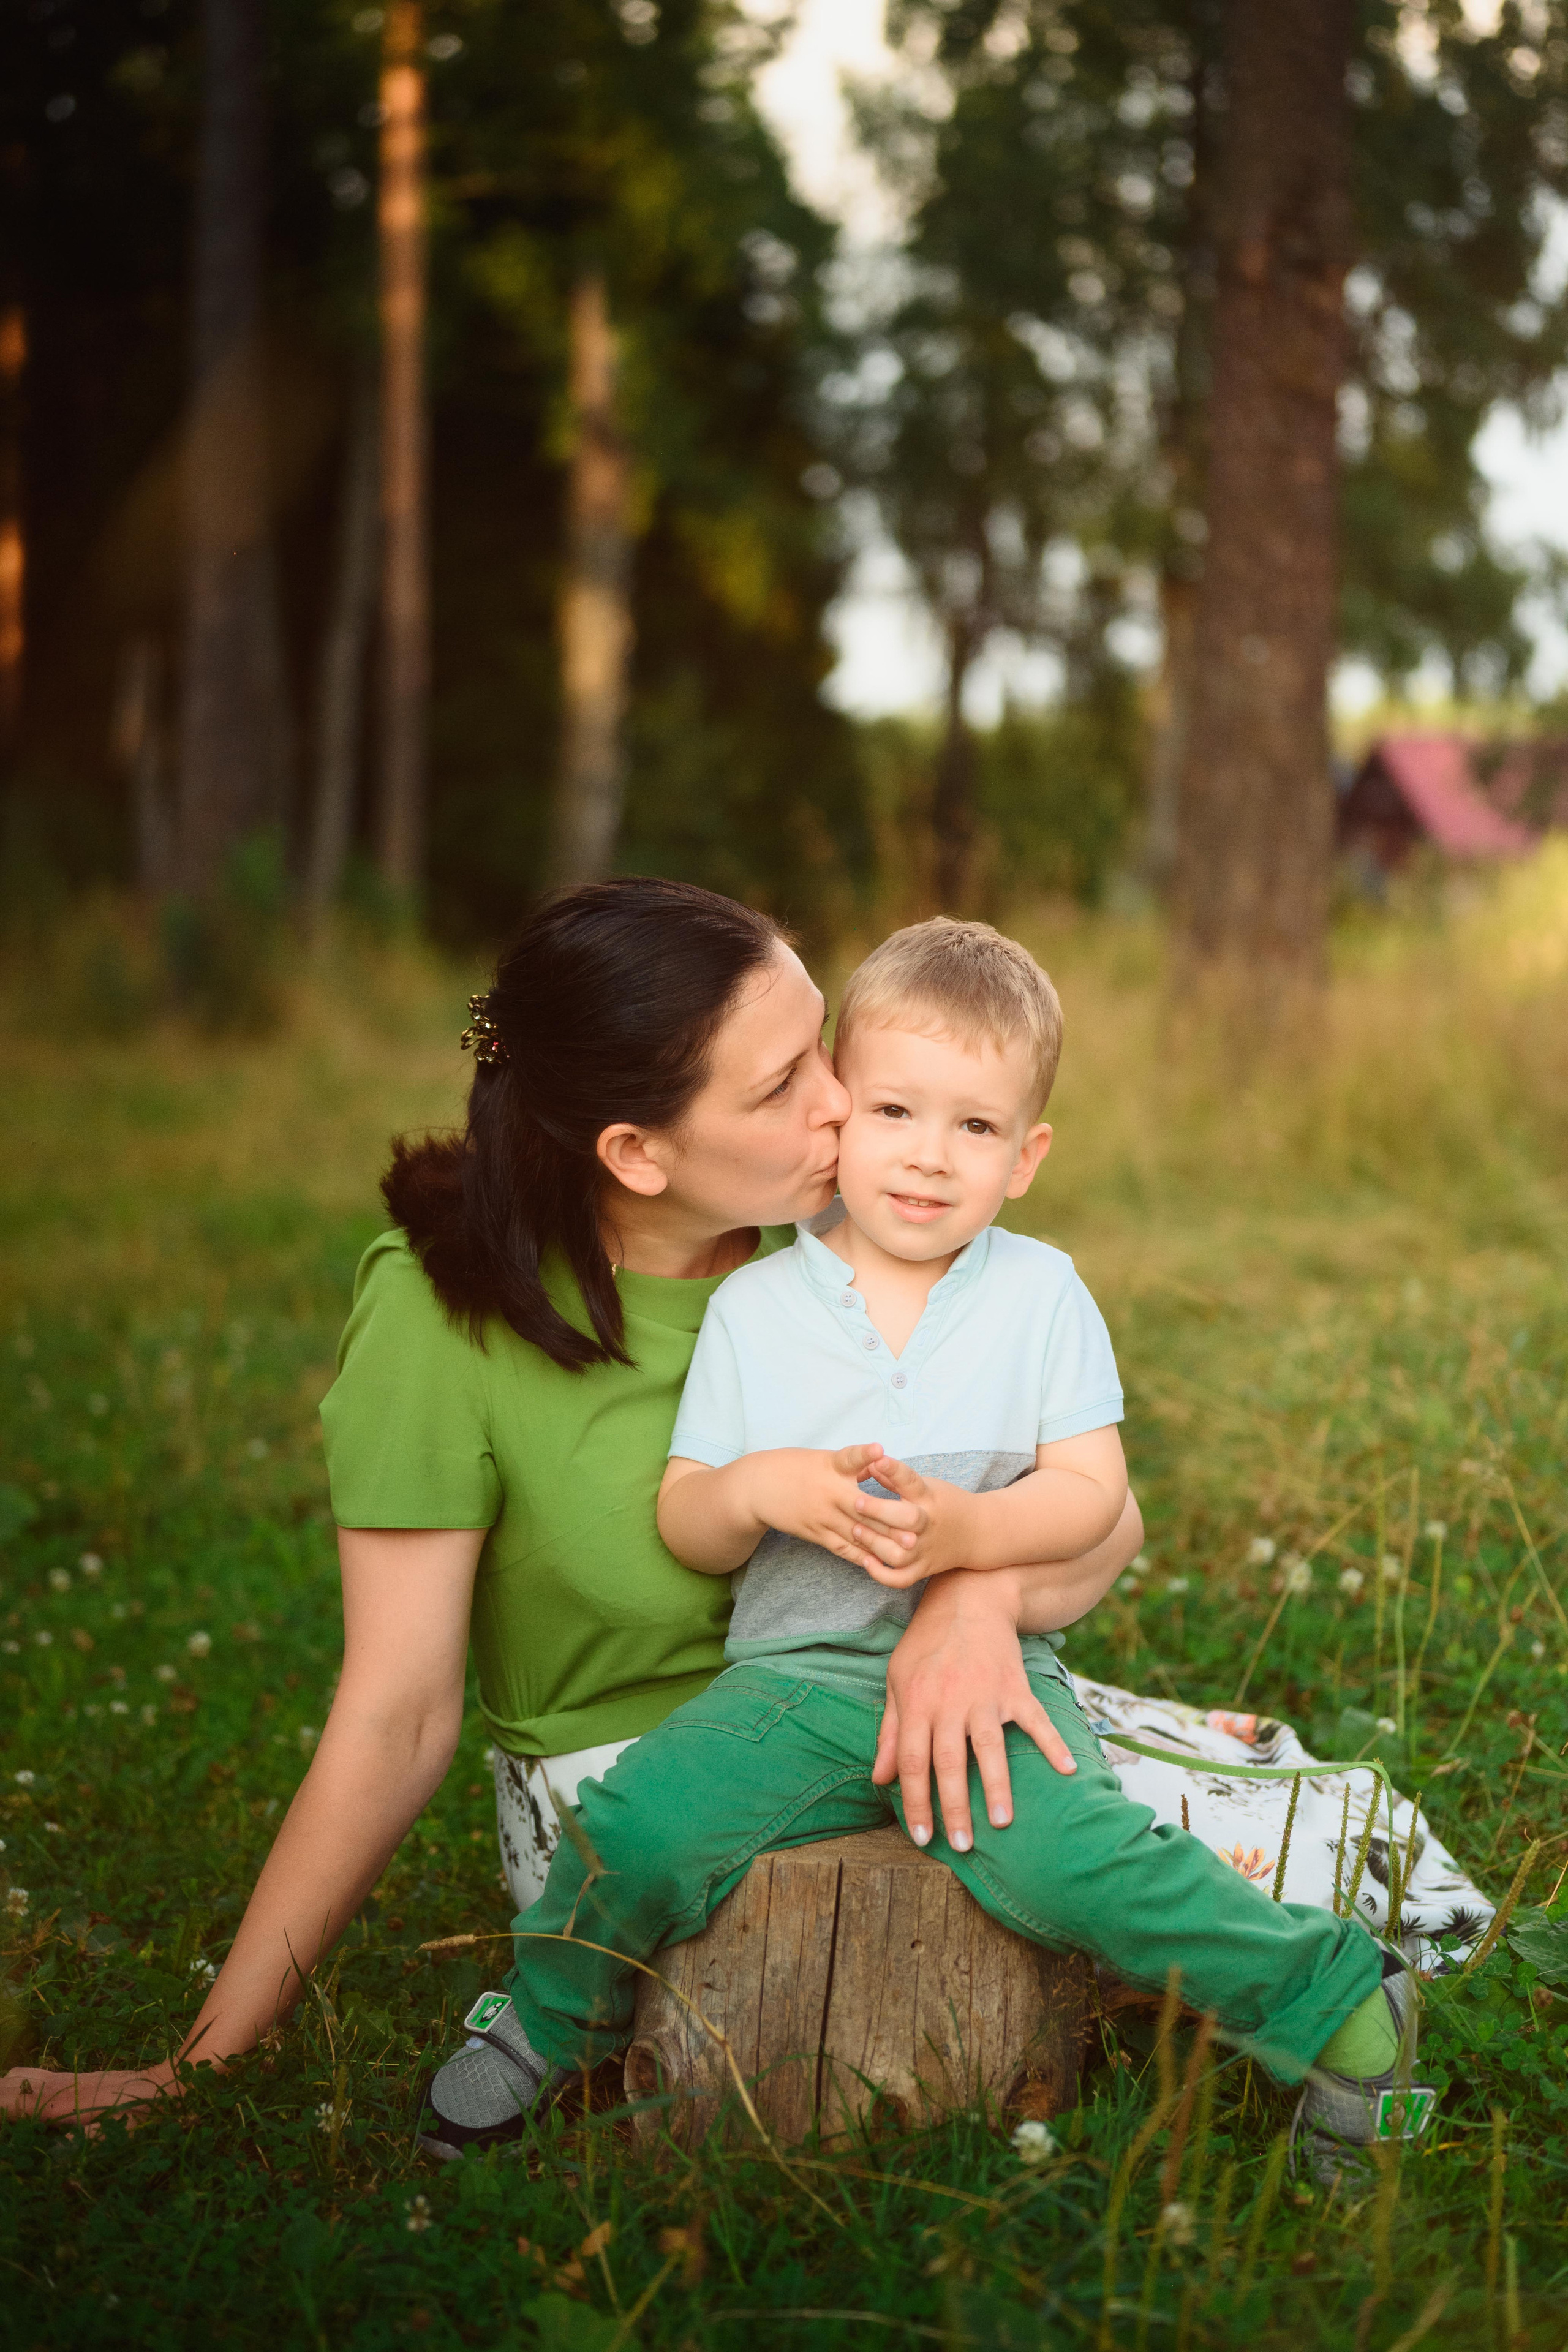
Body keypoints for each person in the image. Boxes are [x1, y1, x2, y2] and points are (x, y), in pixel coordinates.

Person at [0, 879, 1141, 2132]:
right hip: (647, 1803)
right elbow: (396, 1715)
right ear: (636, 1153)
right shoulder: (444, 1319)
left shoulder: (837, 1232)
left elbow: (1104, 1518)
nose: (842, 1100)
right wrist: (201, 2063)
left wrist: (969, 1606)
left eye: (818, 1043)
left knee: (1279, 1840)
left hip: (891, 1694)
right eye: (777, 1088)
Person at [421, 919, 1431, 2179]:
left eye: (974, 1128)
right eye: (894, 1109)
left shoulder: (1038, 1295)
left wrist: (968, 1540)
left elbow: (1090, 1493)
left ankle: (1334, 2003)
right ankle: (546, 2028)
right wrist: (762, 1489)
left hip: (990, 1683)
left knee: (1080, 1868)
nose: (927, 1157)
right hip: (791, 1683)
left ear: (1025, 1157)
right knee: (642, 1828)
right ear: (837, 1113)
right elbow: (686, 1518)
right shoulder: (759, 1305)